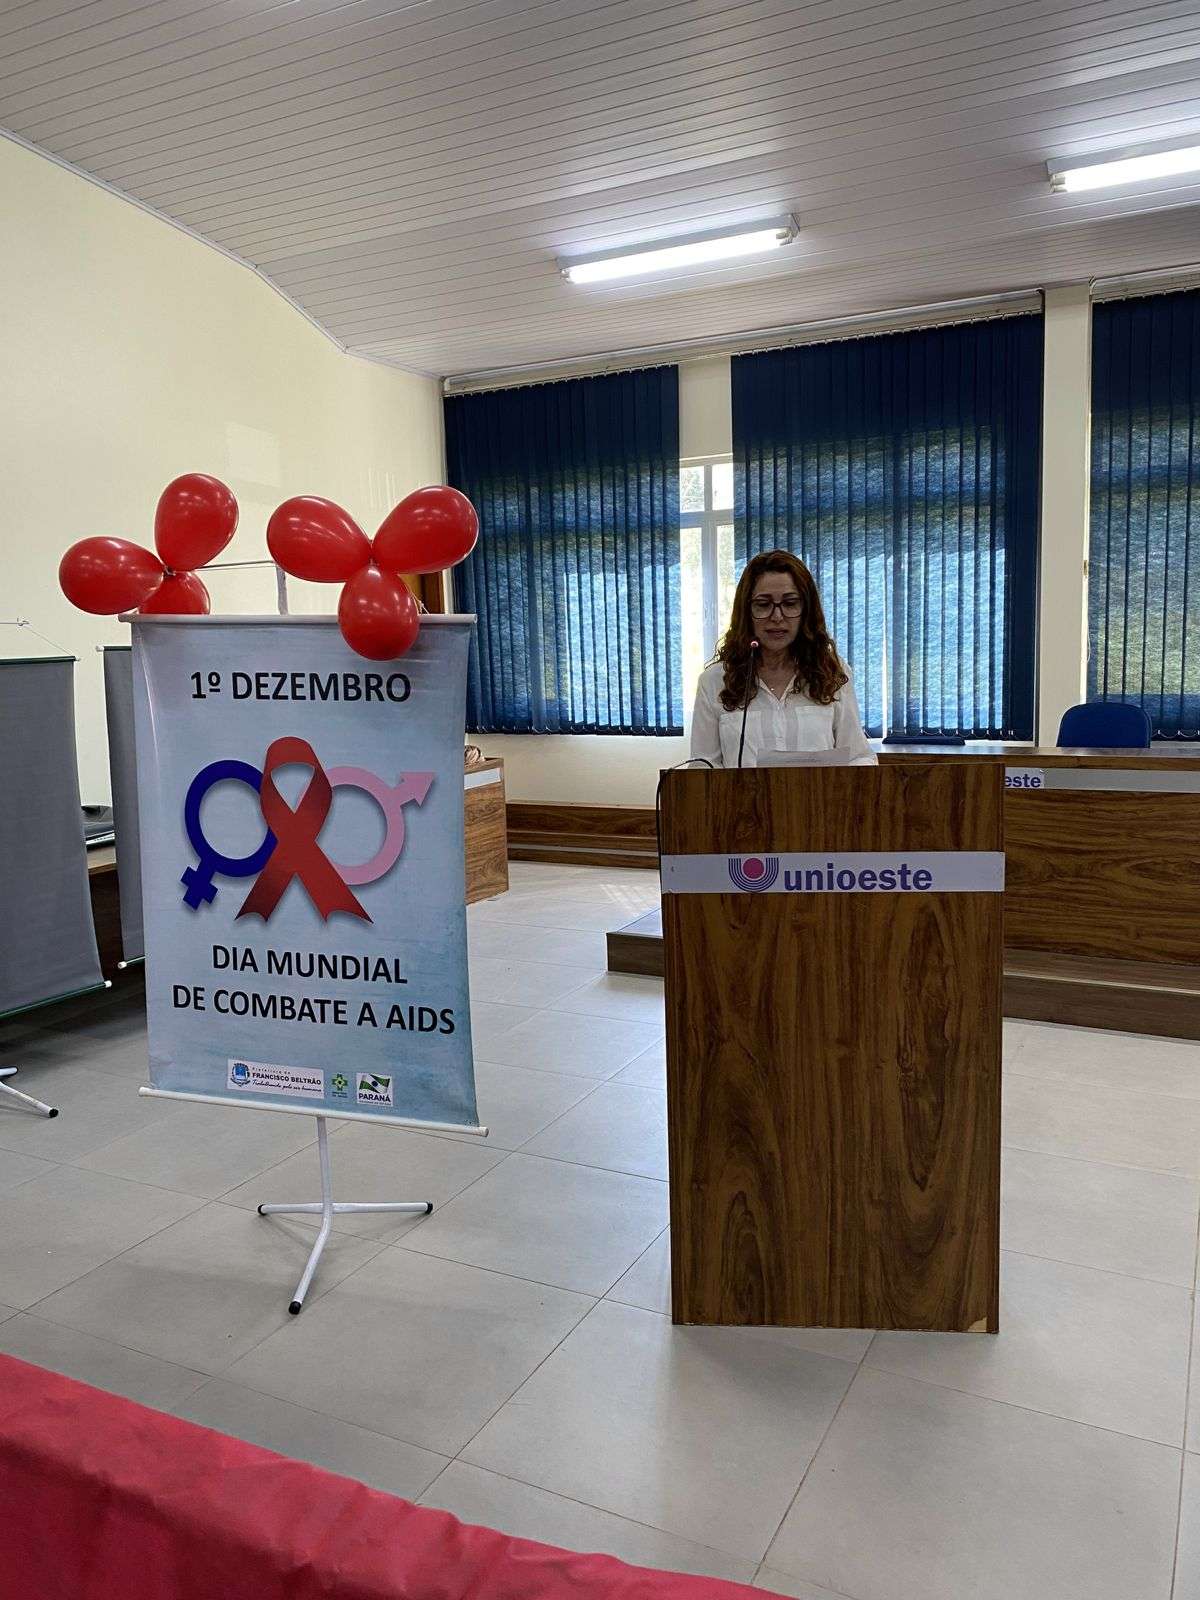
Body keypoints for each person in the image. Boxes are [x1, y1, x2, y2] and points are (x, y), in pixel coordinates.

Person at [690, 549, 877, 768]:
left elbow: (859, 757)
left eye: (790, 603)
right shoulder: (714, 681)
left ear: (806, 610)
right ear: (746, 612)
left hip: (821, 792)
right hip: (742, 793)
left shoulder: (832, 673)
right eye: (763, 604)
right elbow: (702, 769)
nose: (777, 617)